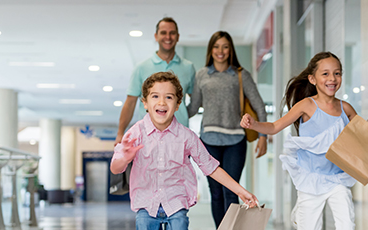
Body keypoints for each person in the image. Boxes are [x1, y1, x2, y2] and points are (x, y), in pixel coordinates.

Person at [240, 52, 368, 229]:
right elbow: (274, 127)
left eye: (337, 73)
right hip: (311, 180)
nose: (332, 78)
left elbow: (365, 137)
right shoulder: (306, 105)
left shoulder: (345, 108)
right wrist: (254, 124)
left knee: (347, 223)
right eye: (325, 73)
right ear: (312, 79)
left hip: (336, 179)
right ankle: (300, 211)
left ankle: (301, 212)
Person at [111, 71, 259, 230]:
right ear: (145, 103)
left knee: (180, 222)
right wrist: (124, 158)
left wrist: (241, 191)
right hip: (146, 204)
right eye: (155, 96)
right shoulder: (136, 133)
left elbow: (211, 167)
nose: (162, 102)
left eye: (168, 97)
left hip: (176, 203)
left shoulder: (186, 136)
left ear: (177, 104)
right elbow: (115, 168)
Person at [187, 31, 268, 227]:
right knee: (215, 192)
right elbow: (192, 108)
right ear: (211, 50)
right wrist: (168, 109)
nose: (220, 51)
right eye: (216, 46)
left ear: (230, 49)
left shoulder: (241, 75)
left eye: (225, 46)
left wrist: (263, 136)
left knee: (231, 191)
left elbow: (259, 106)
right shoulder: (201, 75)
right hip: (208, 141)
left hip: (235, 141)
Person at [115, 17, 195, 145]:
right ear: (156, 36)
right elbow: (130, 103)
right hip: (148, 137)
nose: (168, 37)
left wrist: (183, 114)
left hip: (180, 137)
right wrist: (120, 133)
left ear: (178, 36)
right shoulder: (141, 68)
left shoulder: (188, 67)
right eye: (163, 33)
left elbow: (195, 100)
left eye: (172, 33)